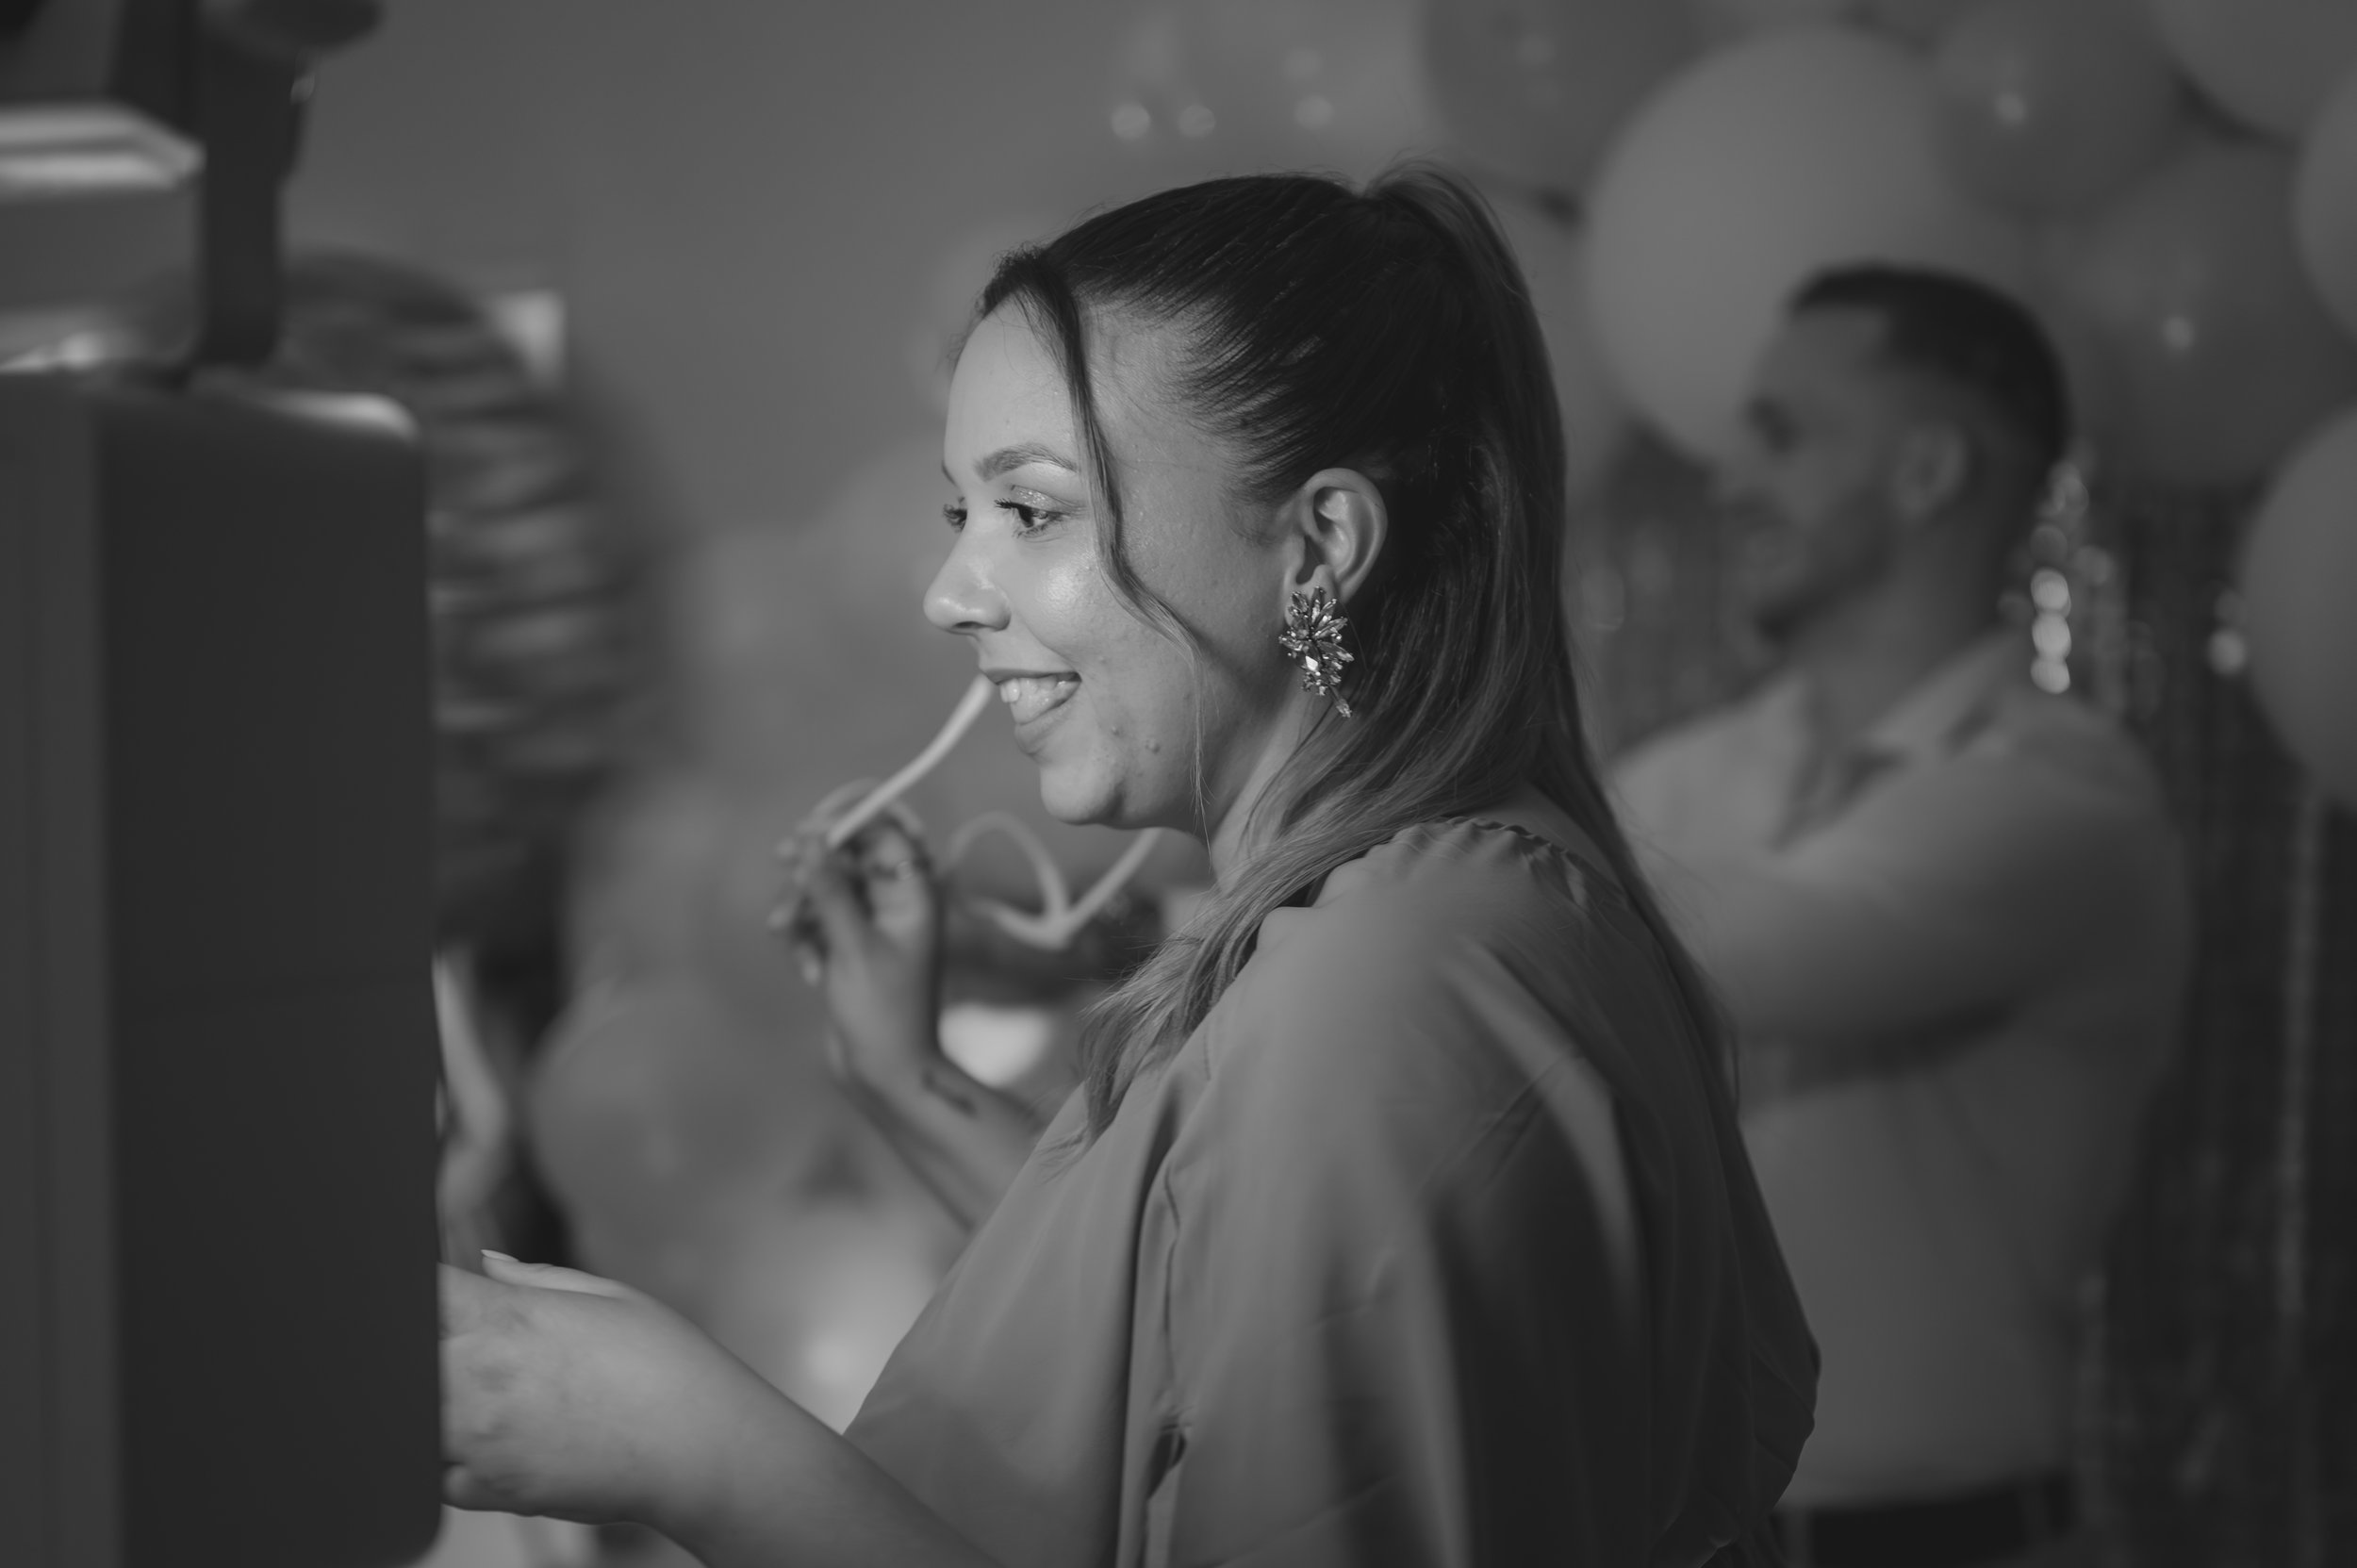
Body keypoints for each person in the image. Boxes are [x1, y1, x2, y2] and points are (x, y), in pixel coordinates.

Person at [440, 166, 1816, 1568]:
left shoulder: (1387, 988)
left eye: (1031, 513)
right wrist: (904, 1077)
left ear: (1321, 546)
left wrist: (690, 1445)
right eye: (955, 515)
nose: (949, 593)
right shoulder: (1422, 909)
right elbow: (1214, 1318)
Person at [1611, 268, 2191, 1568]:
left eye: (1783, 434)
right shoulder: (1678, 779)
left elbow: (1737, 951)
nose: (1727, 483)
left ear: (1929, 471)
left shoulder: (2063, 798)